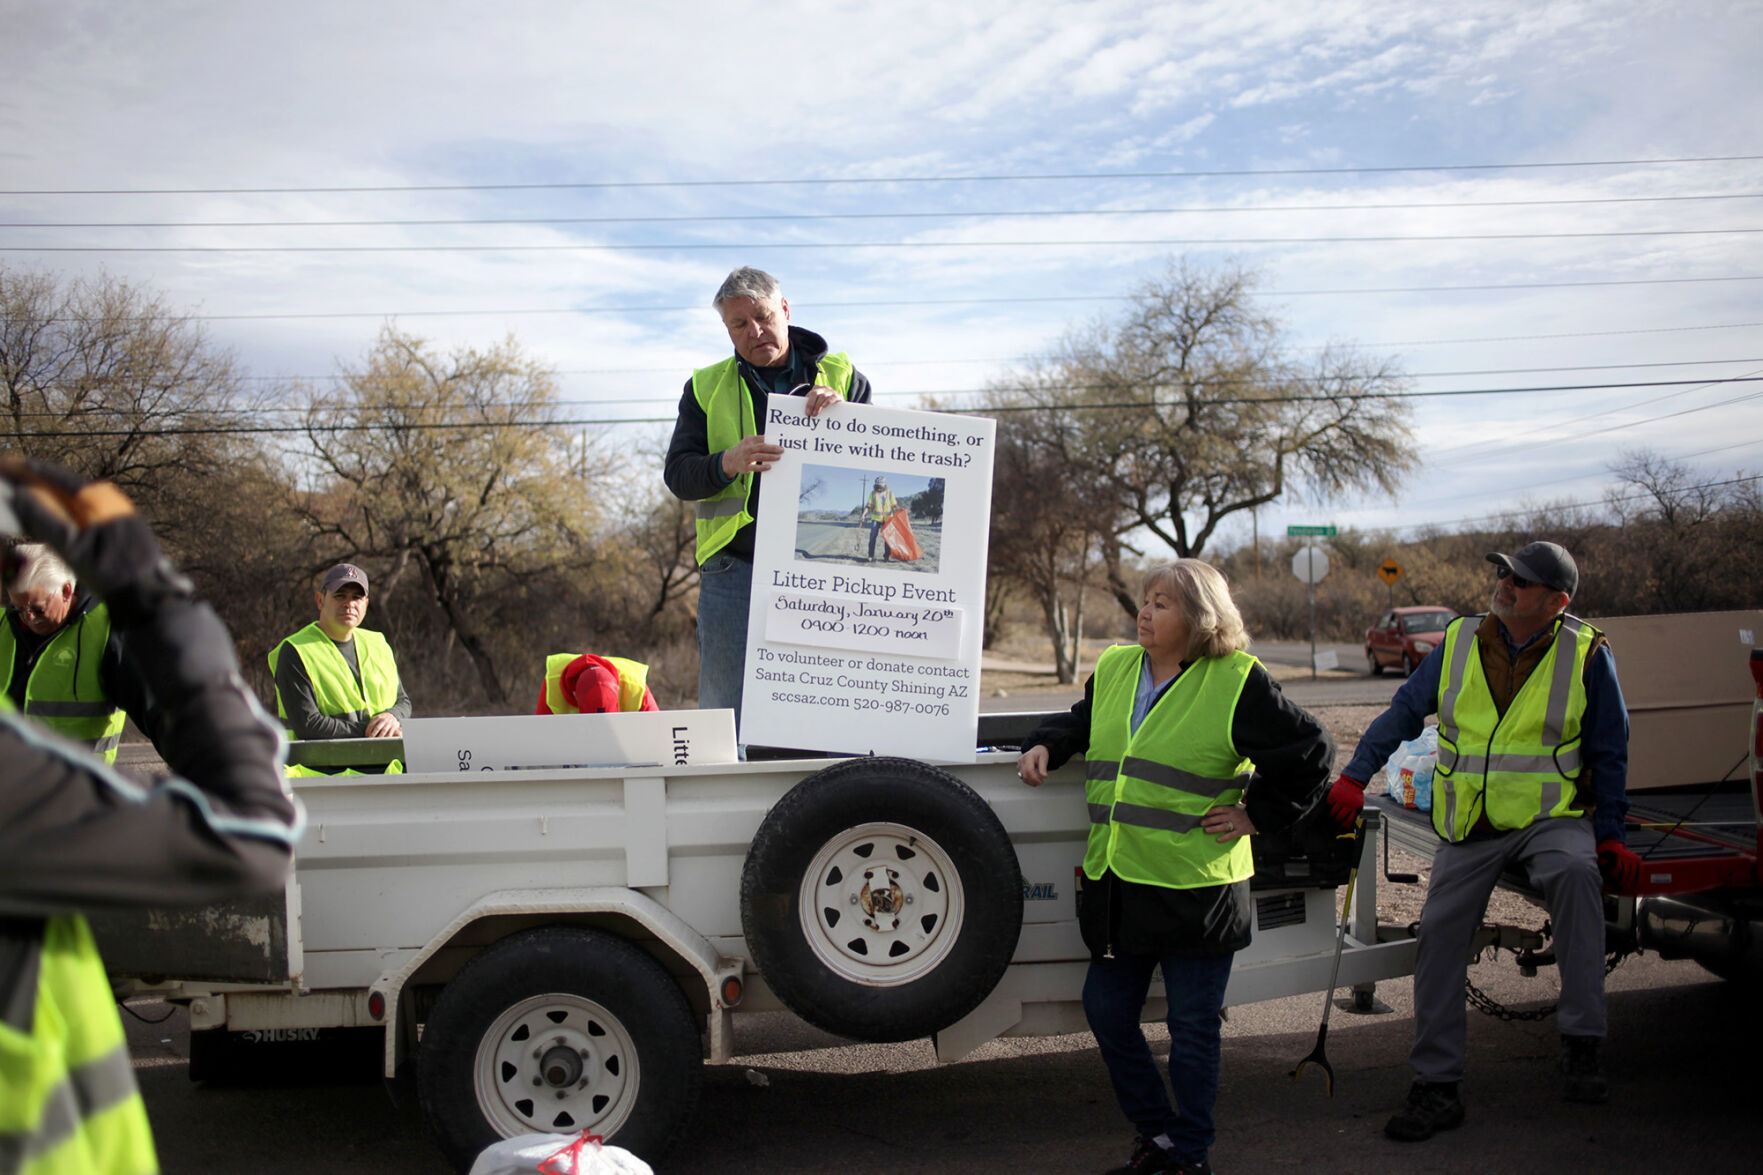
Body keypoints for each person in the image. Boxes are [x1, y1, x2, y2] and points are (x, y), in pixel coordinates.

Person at [0, 456, 301, 1174]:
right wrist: (158, 599)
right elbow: (248, 838)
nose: (22, 614)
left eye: (33, 603)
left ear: (69, 589)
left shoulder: (103, 637)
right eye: (14, 604)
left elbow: (156, 718)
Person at [1017, 559, 1333, 1175]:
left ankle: (1189, 1155)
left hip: (1198, 888)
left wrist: (1255, 816)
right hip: (1118, 882)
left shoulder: (1236, 679)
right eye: (1146, 600)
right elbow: (1085, 724)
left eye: (1163, 603)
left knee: (1192, 1030)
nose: (1145, 612)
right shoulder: (1115, 666)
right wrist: (1048, 743)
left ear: (1199, 618)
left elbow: (1313, 751)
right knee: (1107, 1013)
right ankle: (1160, 1134)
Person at [1325, 540, 1638, 1141]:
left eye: (1520, 580)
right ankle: (1438, 1085)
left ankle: (1582, 1044)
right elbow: (1404, 711)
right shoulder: (1462, 640)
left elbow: (1610, 752)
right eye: (1503, 573)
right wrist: (1354, 776)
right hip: (1470, 822)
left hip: (1552, 819)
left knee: (1578, 879)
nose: (1505, 584)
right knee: (1440, 928)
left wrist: (1612, 836)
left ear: (1557, 600)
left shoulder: (1587, 653)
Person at [663, 266, 871, 727]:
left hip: (821, 572)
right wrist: (726, 462)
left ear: (785, 309)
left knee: (823, 705)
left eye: (762, 316)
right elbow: (678, 476)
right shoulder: (704, 387)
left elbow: (878, 461)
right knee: (725, 712)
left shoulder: (844, 376)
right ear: (727, 330)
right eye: (739, 324)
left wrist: (847, 416)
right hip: (734, 568)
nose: (754, 331)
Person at [2, 542, 159, 762]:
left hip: (73, 789)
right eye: (18, 608)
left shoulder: (108, 630)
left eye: (37, 609)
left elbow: (158, 713)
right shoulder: (3, 624)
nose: (26, 618)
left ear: (66, 591)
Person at [268, 562, 410, 750]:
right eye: (340, 596)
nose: (349, 604)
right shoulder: (295, 651)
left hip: (386, 766)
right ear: (320, 600)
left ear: (365, 604)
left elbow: (403, 701)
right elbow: (308, 725)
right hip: (323, 773)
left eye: (356, 597)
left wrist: (393, 717)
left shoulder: (378, 644)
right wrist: (373, 733)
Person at [536, 652, 660, 715]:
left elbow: (660, 734)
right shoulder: (553, 685)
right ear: (575, 697)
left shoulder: (635, 687)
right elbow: (542, 738)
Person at [864, 476, 899, 562]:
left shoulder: (890, 493)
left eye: (880, 486)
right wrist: (863, 515)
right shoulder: (872, 494)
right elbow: (868, 506)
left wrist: (899, 510)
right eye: (877, 486)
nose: (879, 488)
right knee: (872, 536)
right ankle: (870, 555)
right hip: (876, 519)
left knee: (887, 538)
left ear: (884, 485)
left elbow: (894, 505)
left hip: (888, 519)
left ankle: (886, 556)